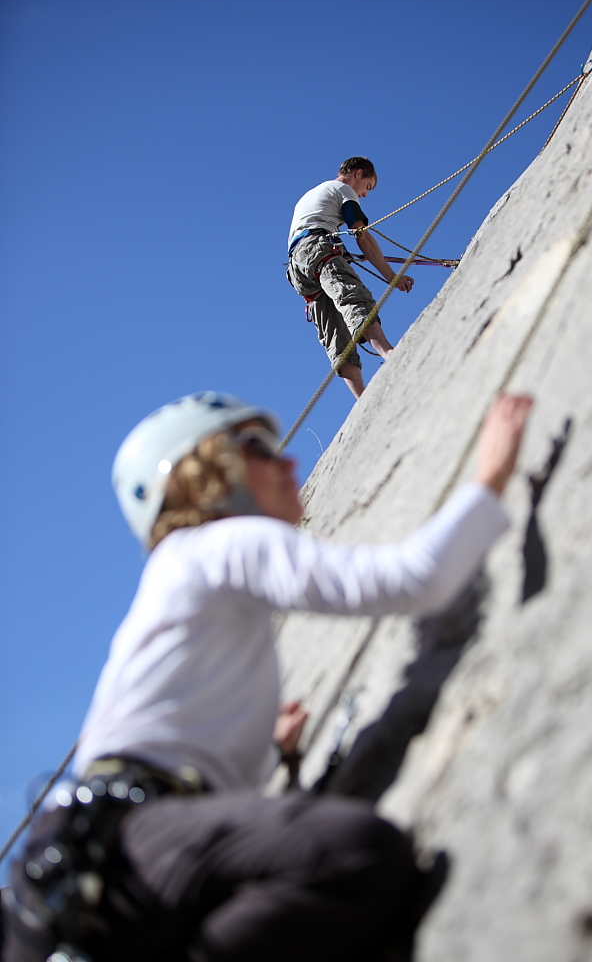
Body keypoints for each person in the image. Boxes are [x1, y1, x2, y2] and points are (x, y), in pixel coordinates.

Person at [2, 390, 532, 962]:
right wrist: (490, 477)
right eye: (258, 446)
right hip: (132, 842)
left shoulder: (182, 574)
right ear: (206, 473)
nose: (287, 462)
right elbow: (413, 581)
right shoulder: (214, 543)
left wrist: (256, 747)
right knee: (358, 855)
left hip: (89, 873)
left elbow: (156, 734)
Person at [287, 157, 415, 399]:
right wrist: (391, 276)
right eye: (367, 186)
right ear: (358, 174)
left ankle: (361, 398)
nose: (365, 195)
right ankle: (388, 352)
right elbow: (361, 235)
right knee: (352, 296)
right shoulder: (343, 190)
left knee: (333, 330)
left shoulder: (311, 194)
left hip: (298, 267)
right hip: (318, 248)